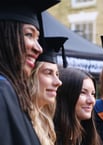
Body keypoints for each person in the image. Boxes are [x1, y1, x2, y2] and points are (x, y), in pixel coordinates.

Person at [0, 0, 60, 145]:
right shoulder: (2, 91)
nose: (39, 48)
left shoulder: (11, 93)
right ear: (5, 35)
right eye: (29, 35)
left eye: (37, 38)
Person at [29, 36, 68, 145]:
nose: (58, 82)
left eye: (57, 74)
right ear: (31, 76)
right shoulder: (19, 119)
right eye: (48, 73)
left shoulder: (45, 122)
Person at [54, 67, 102, 145]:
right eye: (83, 92)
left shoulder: (89, 139)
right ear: (67, 96)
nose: (91, 101)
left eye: (93, 94)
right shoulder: (48, 138)